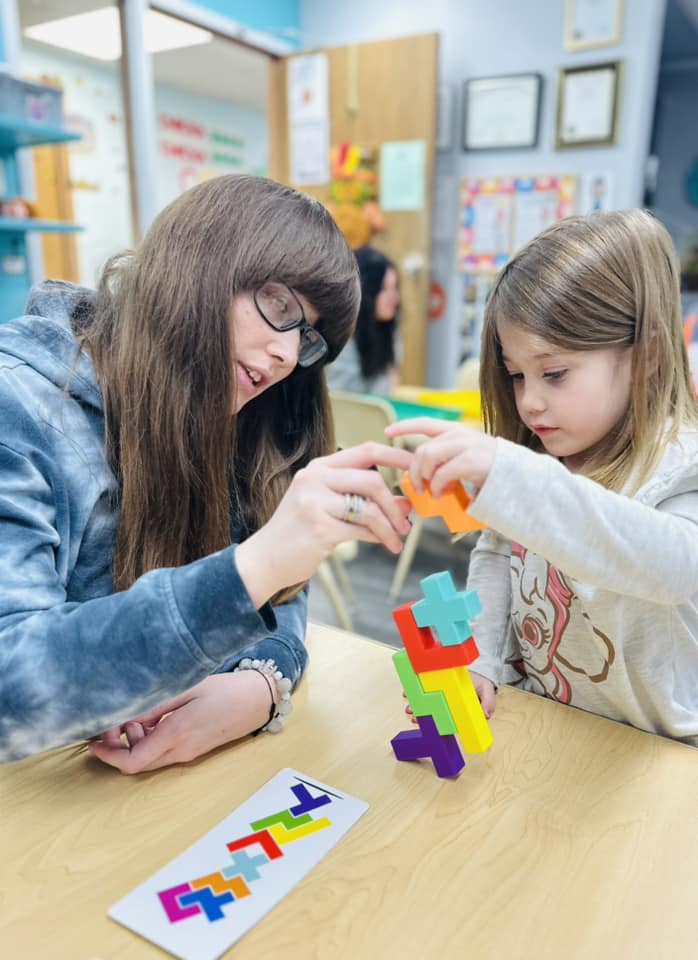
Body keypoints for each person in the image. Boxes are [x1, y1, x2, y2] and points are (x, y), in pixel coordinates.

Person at [0, 174, 412, 771]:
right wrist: (256, 566)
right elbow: (12, 689)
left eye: (308, 338)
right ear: (197, 263)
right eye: (279, 307)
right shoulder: (20, 402)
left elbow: (281, 593)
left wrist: (261, 681)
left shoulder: (230, 405)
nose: (288, 357)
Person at [388, 210, 698, 746]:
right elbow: (496, 555)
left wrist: (515, 477)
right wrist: (481, 659)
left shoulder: (680, 464)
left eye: (554, 374)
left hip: (660, 761)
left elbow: (672, 567)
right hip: (550, 727)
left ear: (646, 354)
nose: (530, 401)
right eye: (516, 376)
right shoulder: (552, 453)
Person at [327, 245, 400, 395]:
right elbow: (340, 401)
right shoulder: (339, 340)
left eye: (395, 288)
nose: (395, 299)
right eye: (384, 289)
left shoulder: (387, 328)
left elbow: (390, 385)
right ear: (364, 293)